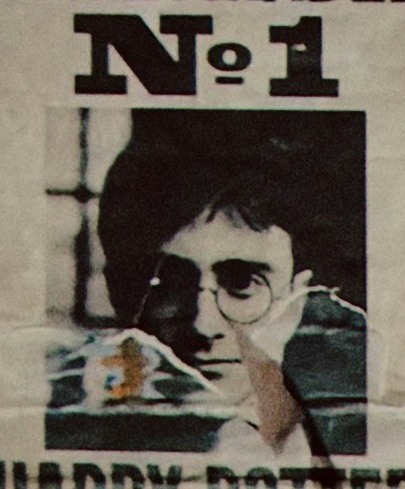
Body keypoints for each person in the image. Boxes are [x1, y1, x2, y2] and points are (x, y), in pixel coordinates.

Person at [49, 114, 367, 460]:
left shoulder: (350, 443)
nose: (203, 325)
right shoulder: (67, 436)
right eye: (168, 284)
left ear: (297, 299)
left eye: (242, 282)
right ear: (119, 293)